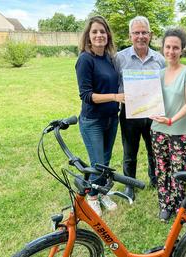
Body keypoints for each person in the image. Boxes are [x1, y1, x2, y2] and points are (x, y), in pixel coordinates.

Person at [75, 16, 125, 216]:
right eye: (94, 31)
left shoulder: (110, 58)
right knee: (97, 162)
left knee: (105, 159)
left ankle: (102, 192)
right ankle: (93, 197)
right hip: (92, 120)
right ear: (88, 35)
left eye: (102, 31)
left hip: (111, 118)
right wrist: (115, 96)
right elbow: (86, 95)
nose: (99, 35)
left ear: (108, 35)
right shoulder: (85, 59)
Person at [150, 28, 186, 221]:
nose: (171, 51)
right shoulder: (158, 74)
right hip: (158, 130)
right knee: (161, 168)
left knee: (179, 170)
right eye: (168, 47)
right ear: (163, 48)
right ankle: (164, 204)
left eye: (175, 47)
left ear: (182, 49)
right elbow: (148, 99)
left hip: (180, 131)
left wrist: (171, 120)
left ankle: (179, 205)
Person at [116, 16, 165, 201]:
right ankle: (130, 185)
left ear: (150, 35)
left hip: (153, 114)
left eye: (144, 32)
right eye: (136, 32)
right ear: (130, 36)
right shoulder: (120, 58)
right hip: (130, 114)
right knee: (129, 152)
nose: (140, 36)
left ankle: (155, 179)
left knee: (154, 150)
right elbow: (114, 85)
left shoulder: (159, 59)